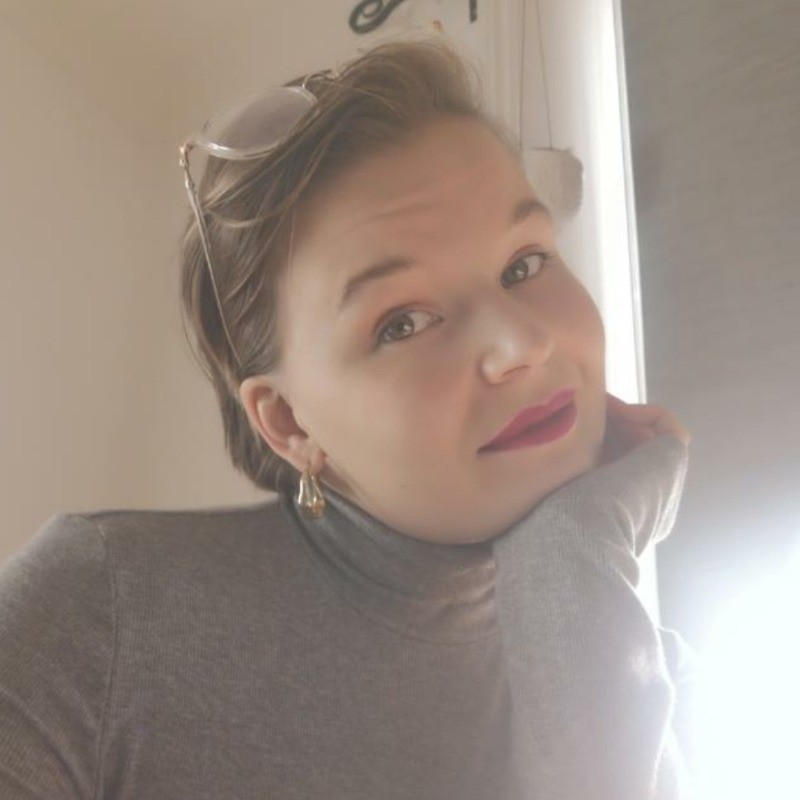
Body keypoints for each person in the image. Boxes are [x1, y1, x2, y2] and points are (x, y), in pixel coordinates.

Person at [0, 34, 695, 799]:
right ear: (290, 424)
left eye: (523, 265)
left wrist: (574, 554)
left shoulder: (634, 668)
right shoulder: (101, 617)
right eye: (402, 322)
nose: (521, 345)